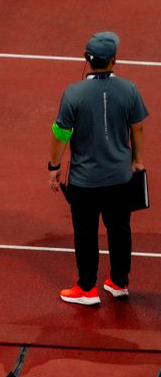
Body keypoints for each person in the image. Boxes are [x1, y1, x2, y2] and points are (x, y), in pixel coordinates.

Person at [48, 32, 147, 305]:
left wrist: (53, 166)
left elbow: (61, 133)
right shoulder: (129, 89)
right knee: (120, 229)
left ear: (86, 59)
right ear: (114, 60)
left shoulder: (73, 92)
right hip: (120, 178)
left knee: (86, 232)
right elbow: (137, 126)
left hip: (84, 181)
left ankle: (87, 288)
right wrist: (137, 161)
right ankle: (119, 282)